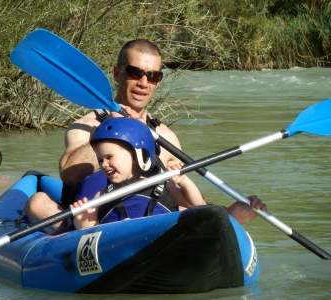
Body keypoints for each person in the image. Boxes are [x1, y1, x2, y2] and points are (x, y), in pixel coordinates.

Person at [25, 38, 266, 235]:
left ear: (158, 82)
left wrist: (221, 212)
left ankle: (226, 219)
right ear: (118, 73)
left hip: (151, 215)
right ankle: (70, 239)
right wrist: (114, 125)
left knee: (189, 207)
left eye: (153, 76)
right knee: (37, 203)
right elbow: (70, 174)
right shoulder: (86, 125)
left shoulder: (163, 135)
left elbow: (182, 192)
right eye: (135, 72)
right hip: (91, 220)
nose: (143, 82)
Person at [69, 117, 207, 229]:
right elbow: (86, 227)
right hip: (118, 242)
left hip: (162, 237)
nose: (104, 164)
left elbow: (197, 205)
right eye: (100, 160)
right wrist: (81, 219)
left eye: (109, 157)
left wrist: (184, 182)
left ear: (137, 157)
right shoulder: (103, 194)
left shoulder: (160, 184)